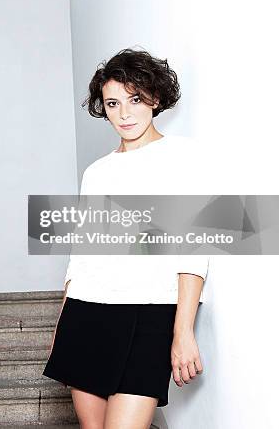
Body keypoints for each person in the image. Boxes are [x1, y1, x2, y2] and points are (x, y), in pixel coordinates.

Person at [42, 47, 209, 429]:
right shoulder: (97, 172)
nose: (124, 113)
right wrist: (61, 327)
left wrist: (182, 332)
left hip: (149, 315)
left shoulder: (182, 157)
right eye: (112, 103)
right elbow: (82, 256)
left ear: (155, 98)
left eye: (135, 99)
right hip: (85, 312)